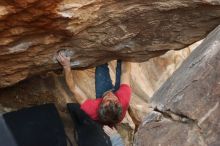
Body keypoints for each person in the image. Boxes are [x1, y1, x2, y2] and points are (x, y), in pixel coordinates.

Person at [57, 50, 131, 126]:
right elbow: (125, 72)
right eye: (113, 98)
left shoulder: (92, 110)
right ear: (118, 103)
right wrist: (126, 51)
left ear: (100, 105)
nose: (110, 94)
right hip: (117, 99)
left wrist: (66, 66)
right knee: (122, 59)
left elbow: (73, 88)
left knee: (100, 64)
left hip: (103, 94)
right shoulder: (124, 99)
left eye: (107, 99)